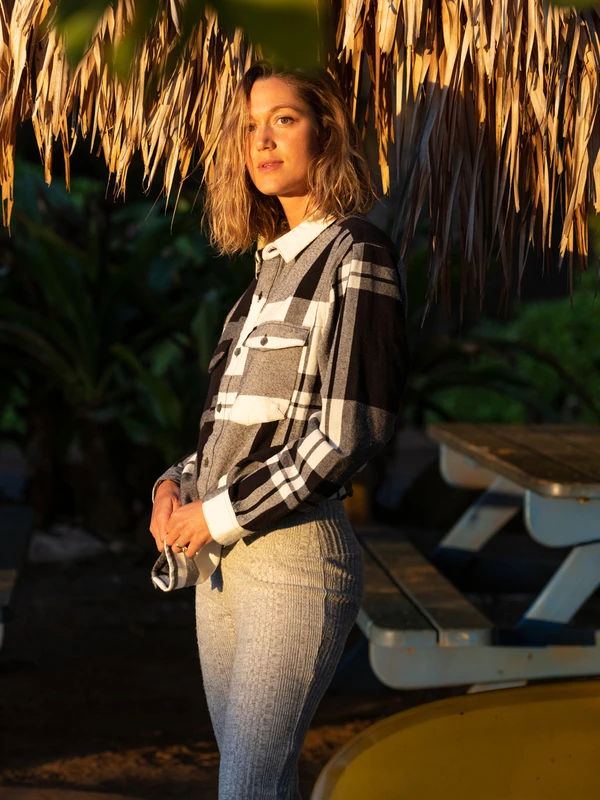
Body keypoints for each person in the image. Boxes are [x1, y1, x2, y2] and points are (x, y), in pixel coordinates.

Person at [149, 61, 409, 799]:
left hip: (295, 563)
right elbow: (232, 434)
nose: (262, 140)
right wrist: (175, 484)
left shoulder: (357, 252)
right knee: (260, 787)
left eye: (284, 120)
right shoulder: (260, 281)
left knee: (248, 789)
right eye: (249, 127)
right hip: (220, 569)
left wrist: (217, 513)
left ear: (325, 132)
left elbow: (351, 430)